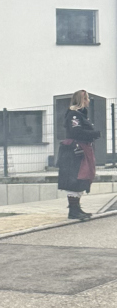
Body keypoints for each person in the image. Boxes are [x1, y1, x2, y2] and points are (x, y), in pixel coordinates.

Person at [57, 90, 100, 221]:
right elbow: (77, 132)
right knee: (76, 178)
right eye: (86, 98)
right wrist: (94, 134)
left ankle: (76, 209)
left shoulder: (80, 114)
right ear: (82, 100)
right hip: (76, 151)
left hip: (83, 149)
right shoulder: (74, 115)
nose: (88, 101)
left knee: (82, 177)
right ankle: (73, 211)